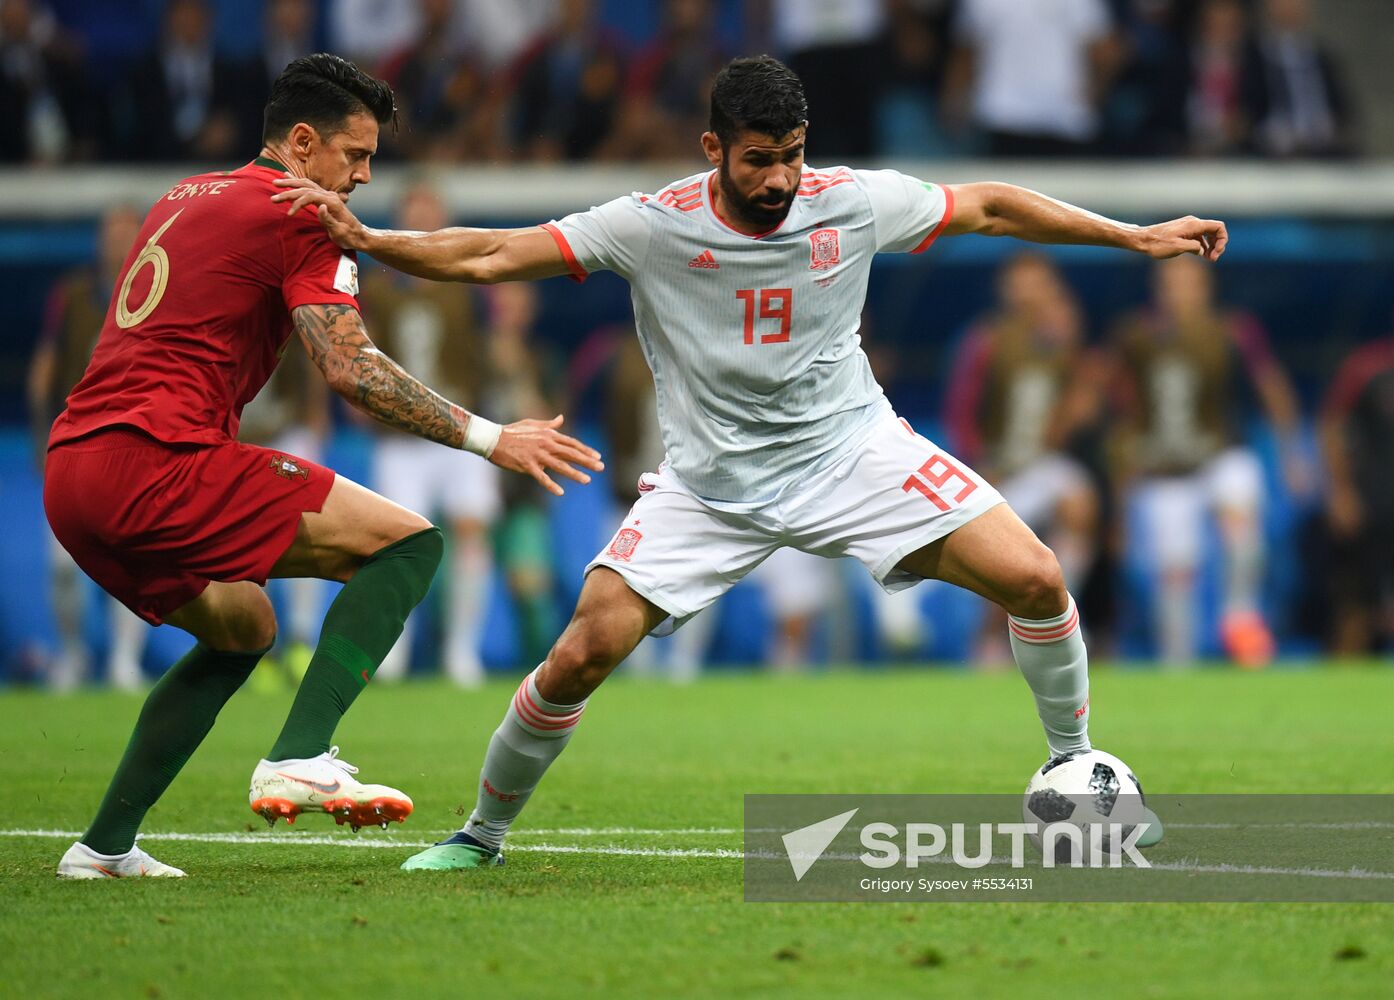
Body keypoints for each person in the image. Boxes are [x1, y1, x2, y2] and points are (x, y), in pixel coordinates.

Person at [275, 54, 1222, 870]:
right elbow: (490, 253)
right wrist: (375, 241)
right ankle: (480, 836)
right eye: (759, 159)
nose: (780, 179)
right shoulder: (652, 225)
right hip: (710, 487)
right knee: (579, 654)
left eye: (792, 155)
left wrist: (1129, 235)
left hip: (853, 452)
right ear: (713, 149)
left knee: (1038, 577)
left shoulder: (850, 203)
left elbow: (992, 204)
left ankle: (1073, 761)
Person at [44, 53, 600, 879]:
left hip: (72, 472)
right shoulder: (301, 214)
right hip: (159, 459)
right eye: (356, 154)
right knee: (409, 544)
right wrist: (493, 439)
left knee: (244, 629)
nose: (364, 177)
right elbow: (350, 368)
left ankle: (102, 848)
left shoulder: (184, 195)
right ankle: (300, 754)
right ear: (302, 143)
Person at [1107, 255, 1304, 666]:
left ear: (1206, 287)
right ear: (1157, 288)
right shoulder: (1136, 334)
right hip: (1164, 470)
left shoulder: (1231, 329)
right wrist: (1124, 480)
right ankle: (1178, 665)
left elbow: (1270, 385)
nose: (1178, 292)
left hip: (1218, 454)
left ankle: (1240, 615)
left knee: (1239, 495)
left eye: (1187, 282)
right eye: (1169, 282)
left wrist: (1290, 452)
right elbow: (1121, 407)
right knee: (1175, 575)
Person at [357, 182, 500, 687]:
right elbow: (359, 348)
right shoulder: (377, 285)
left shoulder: (468, 278)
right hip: (400, 437)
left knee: (470, 531)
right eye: (413, 210)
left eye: (429, 210)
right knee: (398, 540)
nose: (421, 219)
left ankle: (462, 650)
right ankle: (393, 652)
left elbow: (490, 346)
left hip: (461, 429)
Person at [944, 252, 1099, 663]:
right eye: (1020, 284)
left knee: (1077, 498)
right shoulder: (986, 339)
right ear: (1006, 290)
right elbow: (960, 409)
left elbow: (1078, 407)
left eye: (1037, 283)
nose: (1029, 293)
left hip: (1039, 465)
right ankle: (989, 644)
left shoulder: (1061, 339)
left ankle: (1062, 614)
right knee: (1003, 566)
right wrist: (975, 463)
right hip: (994, 471)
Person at [26, 204, 150, 690]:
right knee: (63, 567)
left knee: (133, 558)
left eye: (127, 232)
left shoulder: (159, 289)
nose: (118, 241)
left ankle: (124, 661)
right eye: (111, 232)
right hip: (73, 444)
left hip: (134, 445)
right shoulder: (73, 294)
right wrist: (40, 432)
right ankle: (73, 655)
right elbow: (45, 365)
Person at [1318, 330, 1394, 654]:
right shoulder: (1367, 364)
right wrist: (1341, 490)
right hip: (1373, 502)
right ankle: (1342, 679)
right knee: (1357, 606)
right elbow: (1332, 424)